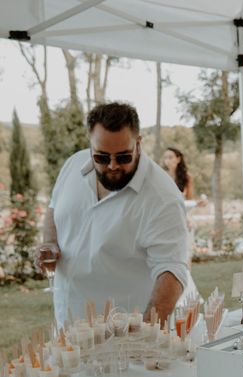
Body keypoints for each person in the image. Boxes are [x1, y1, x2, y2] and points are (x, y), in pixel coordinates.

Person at [37, 102, 189, 327]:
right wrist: (49, 242)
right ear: (90, 144)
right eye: (101, 157)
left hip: (122, 339)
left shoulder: (163, 197)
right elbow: (54, 207)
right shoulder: (72, 164)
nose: (112, 165)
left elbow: (172, 272)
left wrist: (145, 333)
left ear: (138, 143)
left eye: (124, 157)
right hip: (68, 326)